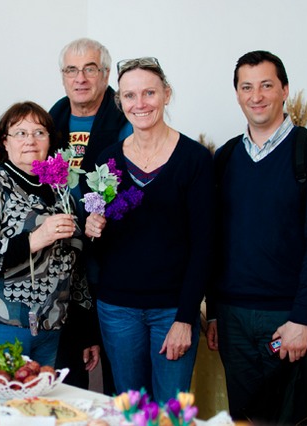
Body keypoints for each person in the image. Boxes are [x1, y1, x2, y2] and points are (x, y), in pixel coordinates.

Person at [206, 50, 307, 425]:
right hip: (232, 318)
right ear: (237, 94)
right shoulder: (226, 157)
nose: (257, 96)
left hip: (287, 316)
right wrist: (214, 312)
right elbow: (214, 242)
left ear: (285, 90)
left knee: (291, 418)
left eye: (266, 85)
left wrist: (301, 318)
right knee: (246, 418)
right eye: (246, 87)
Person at [85, 57, 213, 402]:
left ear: (166, 94)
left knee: (170, 412)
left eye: (149, 93)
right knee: (130, 409)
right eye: (130, 95)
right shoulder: (107, 160)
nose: (139, 103)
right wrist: (92, 228)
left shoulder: (195, 160)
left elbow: (205, 245)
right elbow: (96, 243)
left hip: (172, 310)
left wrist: (186, 317)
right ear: (120, 102)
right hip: (117, 309)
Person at [0, 101, 88, 366]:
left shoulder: (62, 194)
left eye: (39, 132)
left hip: (49, 330)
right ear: (5, 141)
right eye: (20, 133)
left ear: (50, 141)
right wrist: (37, 238)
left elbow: (76, 269)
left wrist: (84, 328)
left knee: (38, 395)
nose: (30, 141)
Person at [50, 37, 132, 394]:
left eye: (90, 69)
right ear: (63, 76)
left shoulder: (126, 118)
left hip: (111, 258)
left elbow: (135, 188)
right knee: (66, 370)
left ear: (106, 74)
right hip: (60, 261)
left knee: (118, 368)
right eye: (71, 70)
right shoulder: (50, 120)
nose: (80, 78)